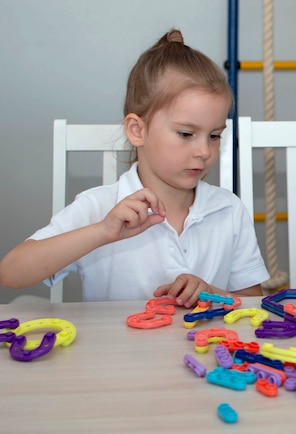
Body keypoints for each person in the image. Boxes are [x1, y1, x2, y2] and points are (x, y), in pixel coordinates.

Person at [0, 29, 269, 305]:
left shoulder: (228, 209)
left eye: (214, 136)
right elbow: (10, 272)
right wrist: (102, 231)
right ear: (137, 130)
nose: (204, 151)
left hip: (204, 349)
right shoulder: (100, 207)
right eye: (186, 134)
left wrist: (212, 292)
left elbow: (251, 303)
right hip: (115, 349)